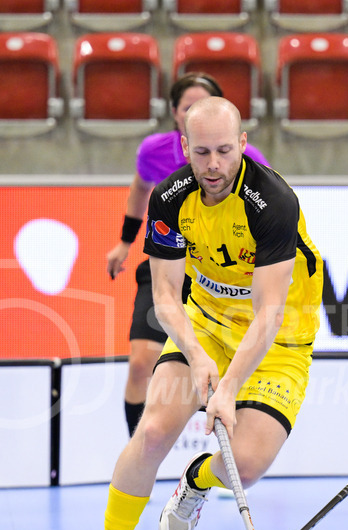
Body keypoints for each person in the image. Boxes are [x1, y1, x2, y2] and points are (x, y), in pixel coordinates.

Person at [87, 96, 324, 530]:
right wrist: (196, 356)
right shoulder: (170, 198)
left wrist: (228, 388)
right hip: (208, 324)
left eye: (223, 151)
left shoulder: (273, 203)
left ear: (242, 144)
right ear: (184, 148)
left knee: (250, 463)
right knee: (151, 431)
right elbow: (167, 296)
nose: (213, 166)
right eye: (201, 153)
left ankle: (196, 478)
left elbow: (269, 314)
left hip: (279, 340)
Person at [106, 73, 269, 436]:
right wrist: (124, 242)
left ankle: (226, 458)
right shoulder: (153, 152)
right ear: (177, 115)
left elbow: (268, 216)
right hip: (165, 265)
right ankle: (140, 450)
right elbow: (139, 190)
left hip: (220, 274)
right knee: (140, 364)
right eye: (187, 107)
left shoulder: (250, 161)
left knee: (230, 368)